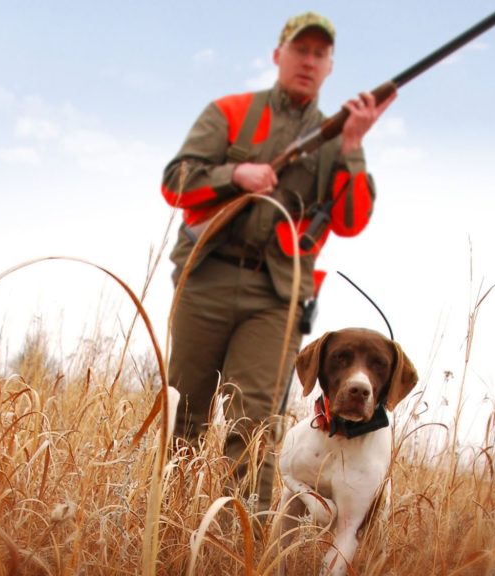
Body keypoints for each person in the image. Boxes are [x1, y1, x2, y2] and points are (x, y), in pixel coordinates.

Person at [160, 11, 396, 510]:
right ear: (278, 55)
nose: (308, 62)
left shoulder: (337, 139)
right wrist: (235, 173)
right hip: (207, 276)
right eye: (300, 50)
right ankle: (172, 531)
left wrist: (353, 145)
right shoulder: (230, 111)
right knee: (184, 413)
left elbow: (353, 218)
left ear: (330, 66)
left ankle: (234, 547)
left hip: (276, 296)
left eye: (320, 54)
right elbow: (175, 180)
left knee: (253, 426)